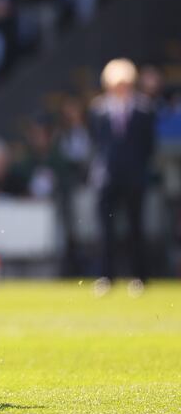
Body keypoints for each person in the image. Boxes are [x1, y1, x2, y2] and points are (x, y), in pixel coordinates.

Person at [89, 58, 155, 297]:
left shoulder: (144, 109)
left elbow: (148, 145)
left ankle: (139, 276)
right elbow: (97, 143)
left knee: (136, 227)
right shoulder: (98, 109)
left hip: (134, 177)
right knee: (105, 230)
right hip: (106, 178)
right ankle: (106, 276)